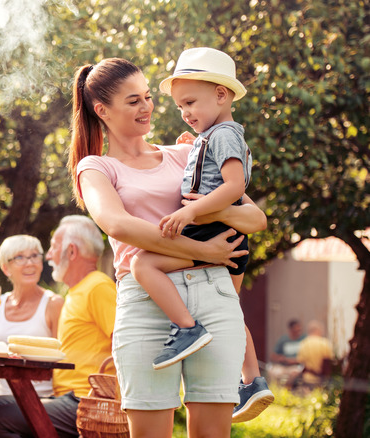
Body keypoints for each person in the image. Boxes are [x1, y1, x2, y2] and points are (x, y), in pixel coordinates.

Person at [70, 57, 268, 436]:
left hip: (213, 297)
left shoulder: (185, 154)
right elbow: (118, 224)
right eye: (133, 101)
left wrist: (214, 220)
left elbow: (254, 219)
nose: (147, 107)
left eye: (147, 97)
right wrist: (200, 252)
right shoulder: (96, 168)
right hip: (146, 302)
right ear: (102, 110)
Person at [132, 47, 274, 422]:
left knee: (144, 263)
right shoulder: (214, 135)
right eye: (180, 106)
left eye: (191, 102)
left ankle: (187, 328)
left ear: (222, 95)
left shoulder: (225, 134)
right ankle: (252, 380)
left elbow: (233, 185)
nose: (186, 112)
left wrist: (190, 211)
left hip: (213, 231)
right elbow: (212, 173)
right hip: (227, 235)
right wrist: (191, 146)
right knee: (231, 305)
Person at [0, 215, 117, 437]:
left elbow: (125, 344)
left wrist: (113, 396)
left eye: (53, 248)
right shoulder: (77, 291)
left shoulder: (98, 287)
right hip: (64, 396)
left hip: (84, 401)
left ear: (71, 252)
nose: (48, 256)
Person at [0, 234, 64, 397]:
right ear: (6, 268)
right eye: (20, 257)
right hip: (0, 392)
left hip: (39, 396)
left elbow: (61, 357)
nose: (29, 263)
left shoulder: (53, 303)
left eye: (34, 256)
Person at [267, 319, 306, 385]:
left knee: (294, 373)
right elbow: (273, 356)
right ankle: (277, 391)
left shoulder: (304, 340)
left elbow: (306, 357)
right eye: (295, 331)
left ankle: (287, 390)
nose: (298, 333)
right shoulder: (283, 340)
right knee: (273, 371)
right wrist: (281, 358)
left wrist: (294, 361)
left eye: (299, 330)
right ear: (290, 330)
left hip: (296, 366)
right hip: (283, 366)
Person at [296, 320, 335, 385]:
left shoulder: (304, 343)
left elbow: (300, 361)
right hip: (323, 379)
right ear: (318, 330)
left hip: (307, 378)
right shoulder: (325, 343)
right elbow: (330, 360)